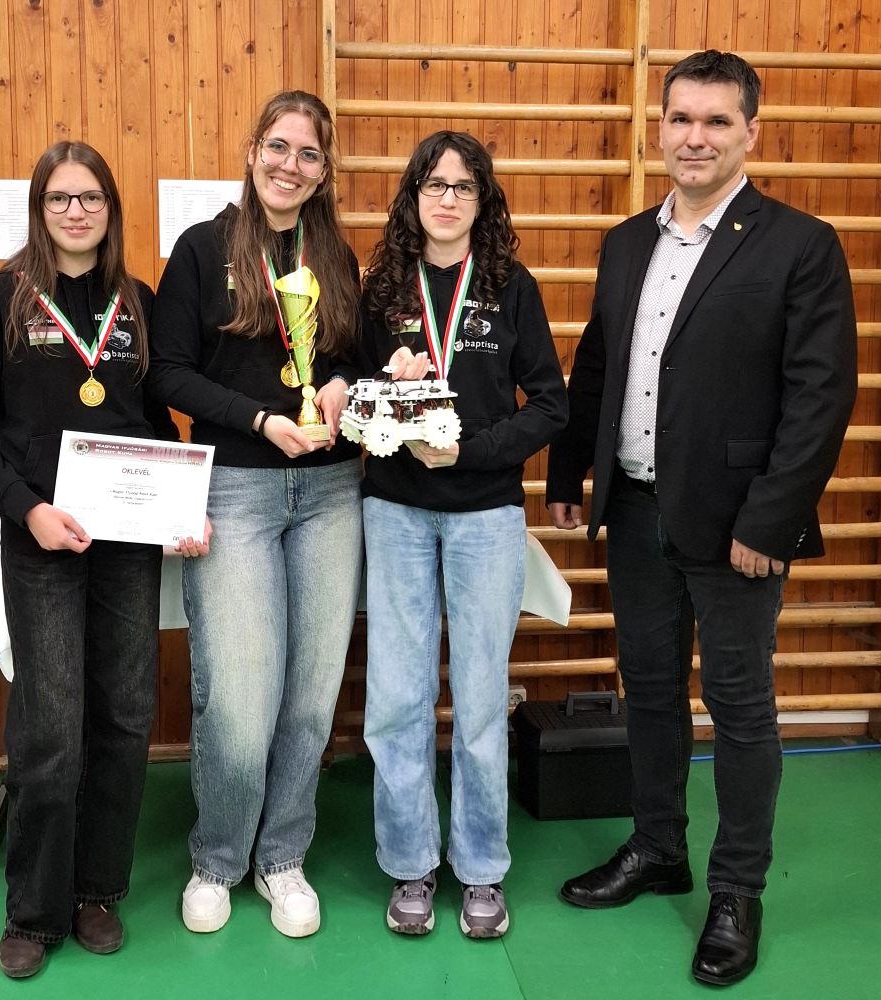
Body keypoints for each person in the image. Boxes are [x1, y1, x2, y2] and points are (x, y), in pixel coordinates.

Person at [546, 50, 858, 986]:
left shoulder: (801, 245)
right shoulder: (625, 243)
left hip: (737, 528)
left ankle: (736, 891)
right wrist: (570, 470)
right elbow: (598, 366)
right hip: (637, 511)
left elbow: (821, 398)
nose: (695, 137)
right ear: (661, 126)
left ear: (751, 132)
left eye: (717, 121)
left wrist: (770, 521)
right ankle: (658, 848)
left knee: (740, 706)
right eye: (681, 118)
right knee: (648, 691)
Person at [0, 141, 204, 980]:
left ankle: (97, 891)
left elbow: (155, 426)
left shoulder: (138, 303)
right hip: (42, 541)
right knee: (50, 727)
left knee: (125, 716)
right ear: (39, 208)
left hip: (127, 544)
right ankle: (33, 909)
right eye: (59, 198)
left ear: (110, 209)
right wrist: (30, 511)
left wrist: (181, 506)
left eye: (90, 197)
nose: (76, 211)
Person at [147, 91, 363, 939]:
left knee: (310, 694)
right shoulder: (203, 249)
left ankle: (282, 857)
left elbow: (353, 359)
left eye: (309, 154)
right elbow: (169, 373)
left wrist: (340, 384)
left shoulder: (336, 255)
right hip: (235, 486)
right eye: (278, 146)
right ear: (252, 150)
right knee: (239, 694)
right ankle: (216, 859)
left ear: (323, 171)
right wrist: (260, 420)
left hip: (331, 492)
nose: (290, 165)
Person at [359, 131, 568, 939]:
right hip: (396, 510)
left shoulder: (511, 287)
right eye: (434, 185)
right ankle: (410, 863)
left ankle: (482, 869)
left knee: (481, 699)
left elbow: (549, 405)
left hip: (486, 514)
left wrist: (470, 453)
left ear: (484, 201)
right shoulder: (383, 289)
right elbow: (350, 395)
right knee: (397, 697)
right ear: (413, 196)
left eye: (464, 186)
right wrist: (385, 384)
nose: (447, 199)